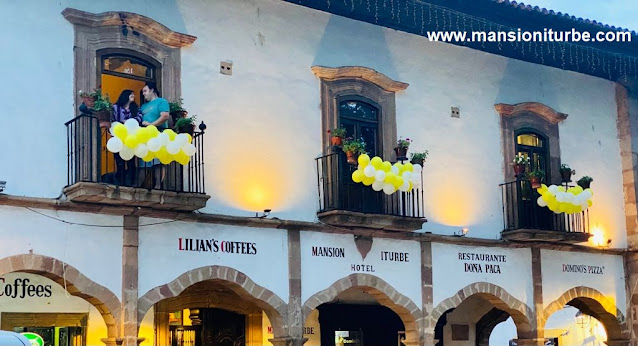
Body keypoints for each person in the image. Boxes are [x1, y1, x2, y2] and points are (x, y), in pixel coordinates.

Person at [139, 82, 170, 189]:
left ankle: (158, 185)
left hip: (158, 134)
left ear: (152, 90)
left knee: (158, 162)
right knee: (143, 163)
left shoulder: (161, 102)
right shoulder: (143, 106)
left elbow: (165, 116)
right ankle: (138, 185)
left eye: (145, 91)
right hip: (145, 136)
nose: (143, 94)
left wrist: (151, 125)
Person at [112, 90, 142, 186]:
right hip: (118, 139)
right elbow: (112, 120)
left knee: (131, 162)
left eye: (134, 94)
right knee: (119, 162)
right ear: (125, 96)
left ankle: (131, 183)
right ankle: (121, 182)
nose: (133, 96)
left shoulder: (136, 109)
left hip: (131, 139)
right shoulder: (115, 108)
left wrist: (128, 121)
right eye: (131, 94)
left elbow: (140, 118)